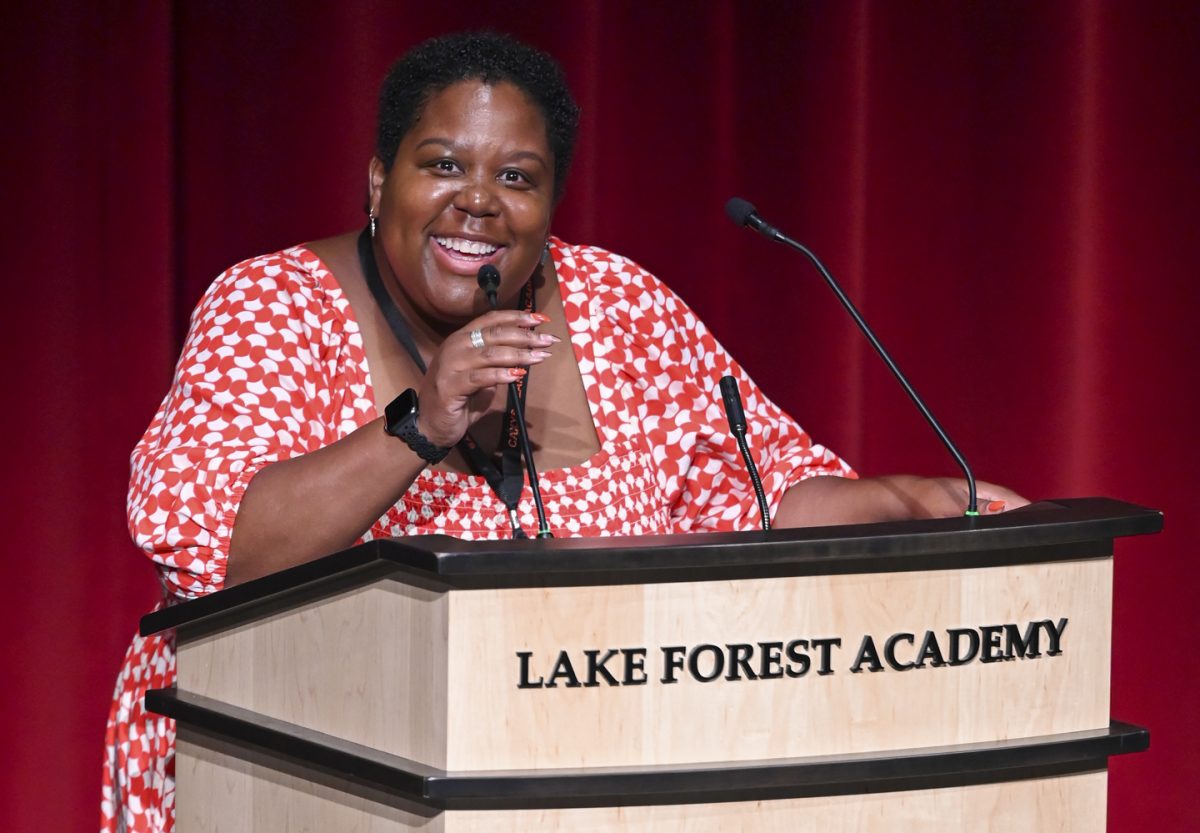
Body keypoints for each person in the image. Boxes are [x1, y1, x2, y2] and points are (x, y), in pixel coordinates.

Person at [101, 31, 1025, 833]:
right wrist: (421, 421)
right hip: (291, 779)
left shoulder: (619, 305)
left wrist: (913, 500)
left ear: (552, 202)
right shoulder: (274, 307)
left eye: (516, 177)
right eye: (443, 164)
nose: (479, 201)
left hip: (561, 785)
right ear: (380, 179)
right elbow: (216, 553)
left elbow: (760, 491)